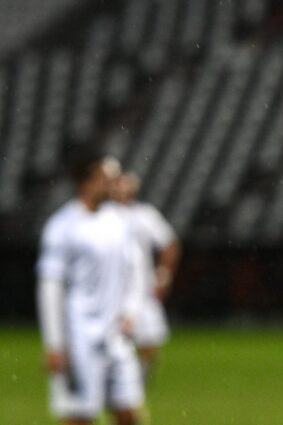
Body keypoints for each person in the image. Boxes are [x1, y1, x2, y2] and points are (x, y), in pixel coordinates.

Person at [36, 148, 146, 425]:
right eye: (104, 179)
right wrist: (54, 344)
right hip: (79, 338)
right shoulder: (62, 226)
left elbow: (136, 270)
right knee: (79, 416)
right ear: (85, 182)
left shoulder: (120, 221)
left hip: (116, 336)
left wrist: (131, 310)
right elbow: (50, 287)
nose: (111, 184)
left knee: (128, 412)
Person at [111, 171, 182, 384]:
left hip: (141, 289)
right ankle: (118, 381)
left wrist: (163, 275)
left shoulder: (144, 215)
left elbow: (170, 244)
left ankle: (138, 383)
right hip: (111, 289)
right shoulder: (104, 215)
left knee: (149, 340)